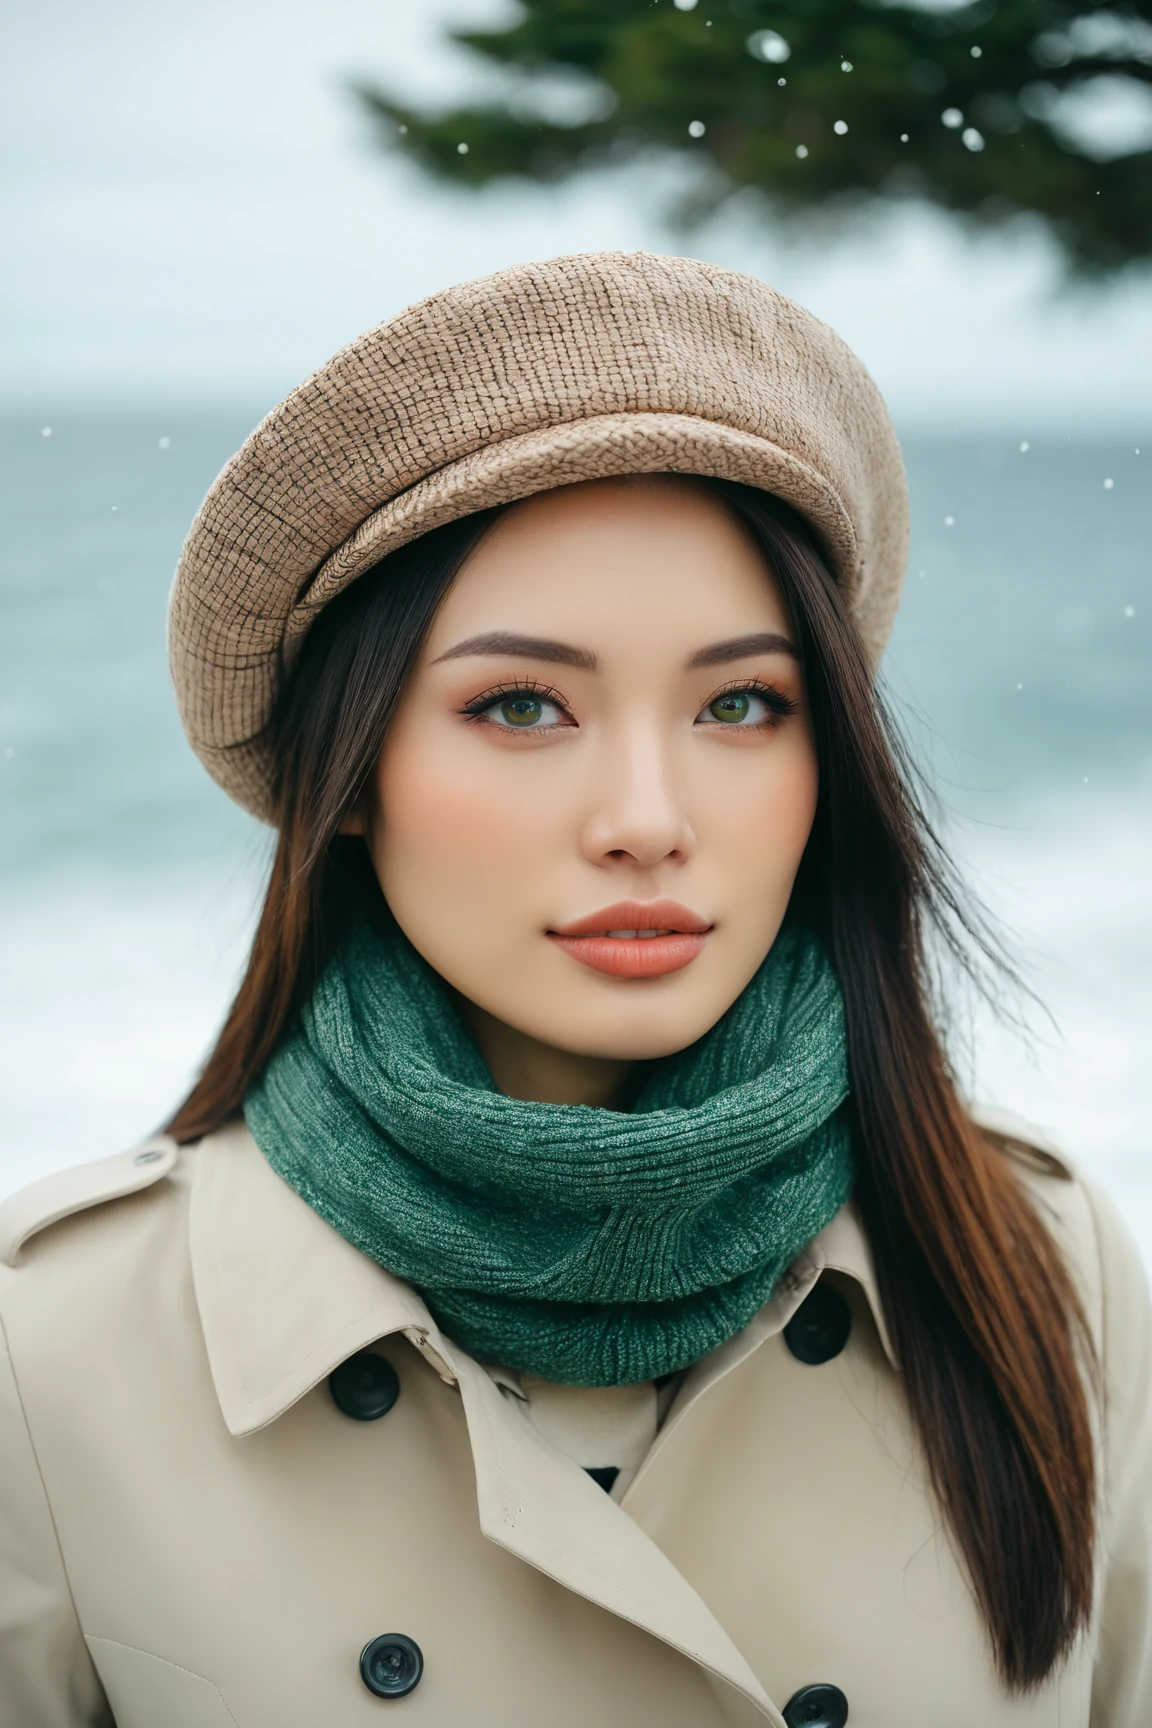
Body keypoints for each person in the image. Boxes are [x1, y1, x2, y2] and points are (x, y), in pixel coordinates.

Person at [0, 252, 1148, 1728]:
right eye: (521, 705)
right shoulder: (59, 1353)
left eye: (743, 703)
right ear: (348, 778)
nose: (648, 815)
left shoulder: (1040, 1274)